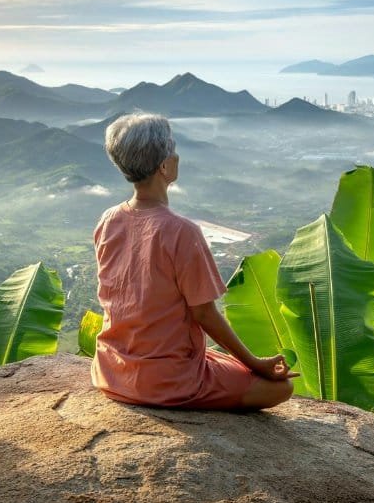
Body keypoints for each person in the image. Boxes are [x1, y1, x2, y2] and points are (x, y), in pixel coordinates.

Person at [90, 112, 296, 410]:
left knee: (215, 357)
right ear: (164, 166)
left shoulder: (108, 220)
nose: (176, 157)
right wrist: (255, 363)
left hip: (112, 370)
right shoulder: (181, 232)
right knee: (281, 388)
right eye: (172, 151)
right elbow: (204, 314)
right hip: (167, 380)